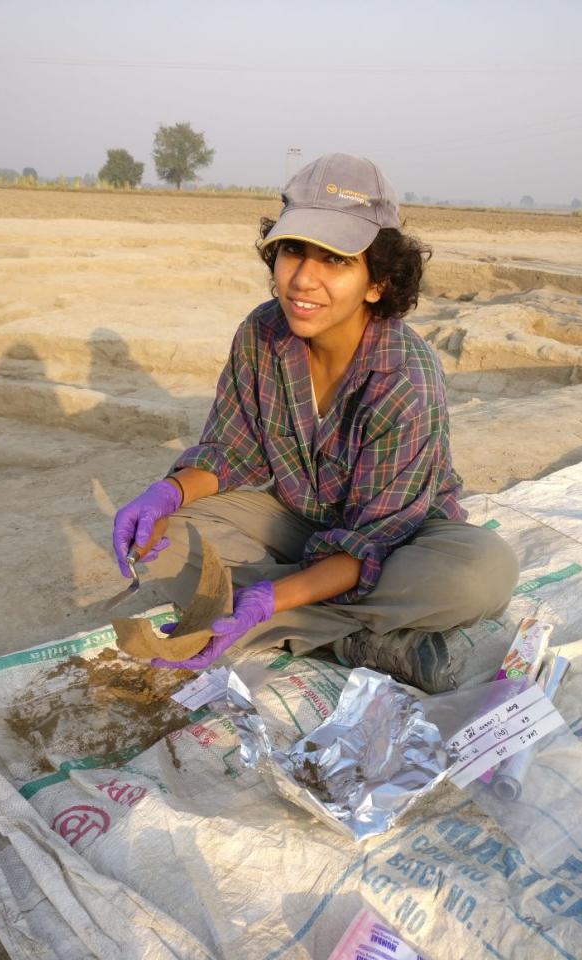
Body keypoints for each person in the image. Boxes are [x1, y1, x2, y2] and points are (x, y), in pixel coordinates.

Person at [111, 153, 519, 692]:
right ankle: (358, 636)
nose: (303, 279)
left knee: (480, 573)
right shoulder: (261, 333)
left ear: (378, 281)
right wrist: (164, 493)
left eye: (335, 260)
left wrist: (270, 598)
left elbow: (369, 541)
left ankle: (274, 618)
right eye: (293, 251)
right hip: (298, 521)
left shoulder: (405, 376)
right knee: (164, 543)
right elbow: (231, 451)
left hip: (398, 539)